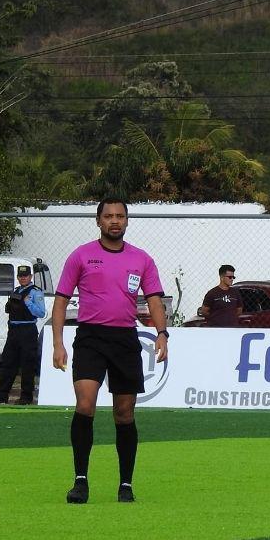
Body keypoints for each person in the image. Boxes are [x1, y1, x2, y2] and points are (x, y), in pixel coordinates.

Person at [52, 199, 167, 504]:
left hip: (125, 340)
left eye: (120, 216)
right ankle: (80, 482)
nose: (114, 221)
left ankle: (125, 484)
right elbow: (61, 300)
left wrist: (162, 334)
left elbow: (154, 300)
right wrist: (58, 342)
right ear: (98, 221)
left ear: (127, 221)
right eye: (108, 216)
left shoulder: (142, 259)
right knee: (85, 404)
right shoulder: (81, 255)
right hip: (90, 338)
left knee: (124, 413)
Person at [0, 265, 45, 405]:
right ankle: (1, 396)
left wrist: (28, 303)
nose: (23, 278)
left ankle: (26, 397)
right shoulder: (16, 291)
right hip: (13, 330)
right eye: (20, 276)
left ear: (30, 277)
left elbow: (41, 312)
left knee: (27, 365)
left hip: (27, 330)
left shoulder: (36, 292)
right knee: (8, 363)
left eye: (25, 276)